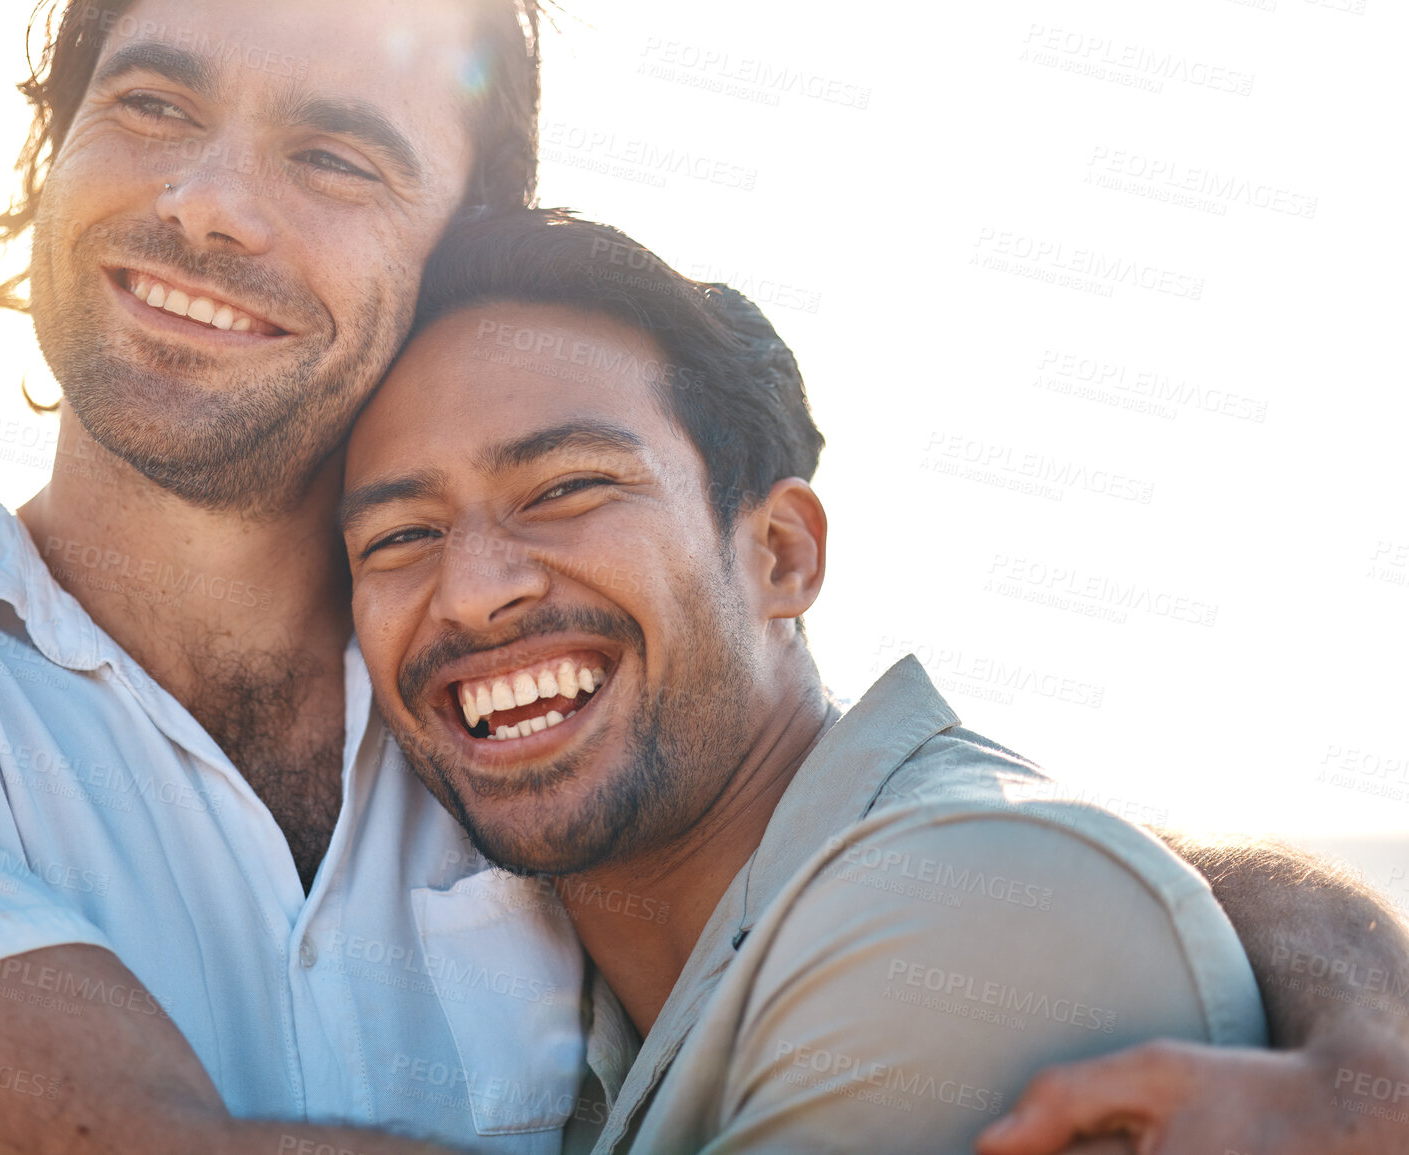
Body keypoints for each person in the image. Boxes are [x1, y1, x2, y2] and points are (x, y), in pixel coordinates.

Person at [0, 3, 1399, 1154]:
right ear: (55, 163)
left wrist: (1358, 1017)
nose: (205, 204)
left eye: (335, 153)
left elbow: (956, 865)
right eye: (150, 103)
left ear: (447, 261)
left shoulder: (513, 709)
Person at [339, 208, 1409, 1153]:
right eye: (399, 534)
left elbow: (1043, 872)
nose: (473, 592)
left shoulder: (984, 912)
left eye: (567, 486)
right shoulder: (569, 1006)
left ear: (782, 557)